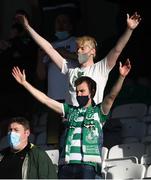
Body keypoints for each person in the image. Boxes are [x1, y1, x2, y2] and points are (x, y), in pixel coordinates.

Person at [12, 58, 131, 178]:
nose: (78, 94)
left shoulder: (99, 111)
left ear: (92, 92)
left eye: (82, 91)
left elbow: (111, 96)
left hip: (88, 166)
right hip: (66, 165)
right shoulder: (70, 110)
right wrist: (25, 83)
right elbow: (46, 100)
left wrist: (121, 77)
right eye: (77, 91)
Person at [15, 12, 141, 107]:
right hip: (71, 122)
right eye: (77, 49)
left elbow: (117, 49)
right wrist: (27, 27)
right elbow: (48, 48)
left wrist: (129, 29)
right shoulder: (70, 69)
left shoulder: (101, 68)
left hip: (92, 125)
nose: (78, 51)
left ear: (93, 51)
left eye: (82, 48)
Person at [36, 13, 78, 145]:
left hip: (72, 96)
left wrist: (55, 51)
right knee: (53, 140)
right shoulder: (48, 45)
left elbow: (81, 58)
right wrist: (40, 57)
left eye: (64, 21)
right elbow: (41, 75)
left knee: (72, 137)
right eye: (57, 21)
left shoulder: (76, 41)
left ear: (70, 25)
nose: (60, 24)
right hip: (53, 98)